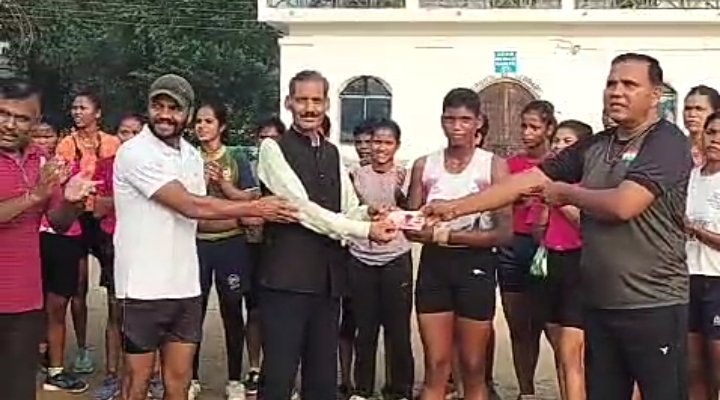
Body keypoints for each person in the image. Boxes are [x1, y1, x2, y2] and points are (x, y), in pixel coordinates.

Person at [423, 53, 693, 400]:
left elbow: (624, 205)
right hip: (599, 302)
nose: (616, 92)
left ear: (655, 95)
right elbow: (529, 179)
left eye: (629, 85)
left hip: (652, 303)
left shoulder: (667, 142)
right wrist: (454, 207)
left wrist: (565, 193)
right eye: (611, 83)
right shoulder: (598, 144)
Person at [113, 74, 298, 400]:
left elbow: (197, 217)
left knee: (179, 382)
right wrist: (254, 207)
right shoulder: (134, 152)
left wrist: (250, 219)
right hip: (142, 286)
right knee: (137, 382)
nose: (165, 115)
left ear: (187, 113)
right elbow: (191, 204)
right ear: (148, 107)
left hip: (184, 285)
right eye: (158, 106)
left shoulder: (190, 156)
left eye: (174, 108)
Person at [255, 70, 397, 400]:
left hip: (328, 281)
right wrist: (365, 229)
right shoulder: (273, 149)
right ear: (288, 103)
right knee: (278, 377)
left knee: (322, 381)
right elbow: (302, 210)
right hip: (286, 280)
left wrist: (370, 213)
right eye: (302, 100)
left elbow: (347, 208)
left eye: (316, 100)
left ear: (327, 104)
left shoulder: (332, 152)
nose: (309, 108)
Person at [406, 88, 512, 400]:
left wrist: (446, 235)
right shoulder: (424, 165)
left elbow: (504, 233)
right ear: (442, 121)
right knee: (435, 366)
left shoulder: (493, 166)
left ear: (479, 122)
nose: (457, 127)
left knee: (473, 366)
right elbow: (413, 224)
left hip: (475, 265)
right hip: (434, 266)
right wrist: (397, 218)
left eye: (465, 120)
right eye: (450, 119)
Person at [0, 77, 96, 400]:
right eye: (3, 114)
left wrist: (72, 201)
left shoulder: (41, 160)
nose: (9, 124)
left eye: (21, 118)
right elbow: (35, 200)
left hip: (25, 301)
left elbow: (58, 222)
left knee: (17, 390)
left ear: (36, 121)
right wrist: (34, 195)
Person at [189, 100, 259, 400]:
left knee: (232, 310)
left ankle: (233, 379)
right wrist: (203, 183)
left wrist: (225, 186)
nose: (202, 126)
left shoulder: (235, 157)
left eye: (208, 121)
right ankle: (191, 378)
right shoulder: (188, 157)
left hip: (231, 244)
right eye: (198, 121)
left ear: (222, 126)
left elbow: (250, 198)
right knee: (193, 312)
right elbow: (184, 201)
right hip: (197, 244)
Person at [346, 118, 415, 400]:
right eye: (376, 142)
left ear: (397, 146)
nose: (380, 148)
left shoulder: (406, 175)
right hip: (361, 258)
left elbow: (413, 213)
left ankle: (399, 390)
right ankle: (362, 390)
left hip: (396, 259)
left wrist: (399, 192)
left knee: (398, 331)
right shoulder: (355, 175)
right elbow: (349, 211)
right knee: (365, 329)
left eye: (387, 142)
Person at [55, 90, 122, 375]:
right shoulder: (66, 145)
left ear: (98, 112)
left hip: (106, 220)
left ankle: (118, 353)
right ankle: (82, 349)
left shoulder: (113, 143)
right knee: (78, 287)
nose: (77, 112)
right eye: (74, 108)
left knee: (115, 290)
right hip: (77, 219)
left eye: (83, 107)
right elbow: (61, 182)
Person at [498, 100, 555, 400]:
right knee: (520, 327)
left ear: (549, 128)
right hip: (513, 246)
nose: (527, 133)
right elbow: (496, 202)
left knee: (555, 327)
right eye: (524, 126)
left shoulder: (560, 164)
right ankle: (526, 392)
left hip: (548, 245)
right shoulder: (510, 166)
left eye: (534, 127)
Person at [534, 120, 592, 400]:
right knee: (559, 347)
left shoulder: (587, 185)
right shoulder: (548, 183)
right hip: (551, 261)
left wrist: (561, 197)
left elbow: (587, 225)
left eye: (567, 142)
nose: (559, 146)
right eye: (556, 141)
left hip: (579, 263)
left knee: (574, 349)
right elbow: (537, 230)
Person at [243, 115, 286, 396]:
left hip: (282, 250)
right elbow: (243, 208)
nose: (268, 142)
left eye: (274, 138)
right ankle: (255, 367)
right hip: (253, 247)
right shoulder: (248, 169)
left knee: (280, 314)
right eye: (263, 137)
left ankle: (278, 369)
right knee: (255, 311)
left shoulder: (289, 170)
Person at [686, 111, 720, 400]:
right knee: (694, 365)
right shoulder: (691, 177)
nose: (716, 140)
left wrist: (695, 230)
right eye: (711, 132)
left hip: (717, 280)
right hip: (688, 278)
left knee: (716, 364)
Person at [683, 85, 720, 167]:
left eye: (699, 109)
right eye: (688, 108)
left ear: (715, 112)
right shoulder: (674, 147)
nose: (692, 114)